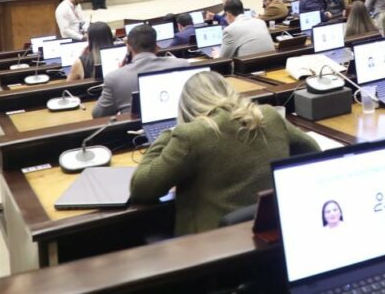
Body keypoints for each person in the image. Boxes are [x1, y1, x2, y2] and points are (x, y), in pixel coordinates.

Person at [129, 71, 319, 236]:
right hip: (270, 233)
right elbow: (313, 151)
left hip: (211, 247)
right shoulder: (267, 115)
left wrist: (168, 133)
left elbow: (141, 187)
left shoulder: (190, 135)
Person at [94, 24, 186, 117]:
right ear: (157, 46)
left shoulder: (114, 77)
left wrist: (120, 71)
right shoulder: (182, 64)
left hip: (135, 130)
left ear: (128, 47)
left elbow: (98, 114)